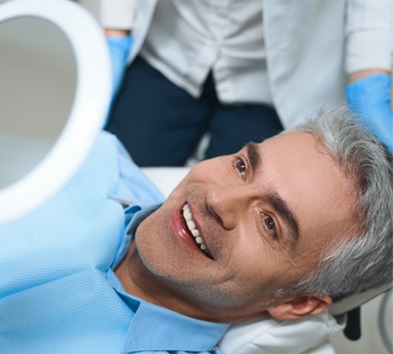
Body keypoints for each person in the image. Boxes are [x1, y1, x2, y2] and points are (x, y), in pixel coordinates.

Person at [1, 107, 392, 353]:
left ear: (298, 303)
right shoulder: (93, 158)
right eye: (242, 166)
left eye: (269, 223)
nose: (218, 200)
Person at [86, 0, 392, 166]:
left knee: (236, 221)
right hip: (169, 47)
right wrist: (114, 29)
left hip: (270, 80)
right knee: (110, 180)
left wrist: (370, 72)